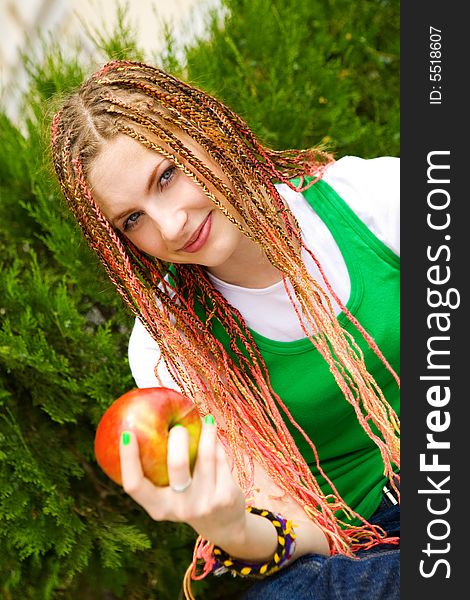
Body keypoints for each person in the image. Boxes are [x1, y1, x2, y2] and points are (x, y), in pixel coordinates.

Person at [50, 60, 400, 599]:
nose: (169, 226)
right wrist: (231, 528)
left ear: (205, 131)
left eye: (166, 176)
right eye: (133, 220)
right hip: (364, 545)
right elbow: (303, 532)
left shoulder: (369, 199)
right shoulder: (168, 346)